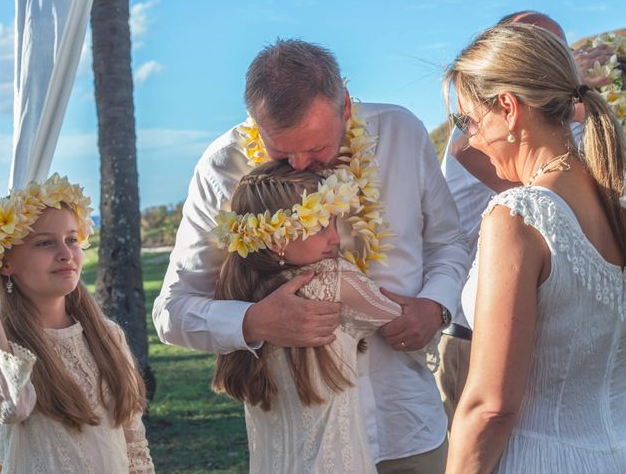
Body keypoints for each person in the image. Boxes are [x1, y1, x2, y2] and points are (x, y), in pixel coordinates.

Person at [152, 39, 469, 472]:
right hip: (303, 444)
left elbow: (448, 242)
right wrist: (254, 321)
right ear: (256, 124)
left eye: (317, 148)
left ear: (345, 109)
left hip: (407, 422)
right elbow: (172, 312)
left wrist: (436, 305)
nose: (300, 165)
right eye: (280, 153)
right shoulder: (221, 166)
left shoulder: (401, 132)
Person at [444, 23, 626, 473]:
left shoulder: (519, 216)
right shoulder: (620, 199)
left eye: (468, 120)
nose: (470, 137)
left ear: (509, 109)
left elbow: (490, 406)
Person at [210, 161, 440, 473]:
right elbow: (403, 323)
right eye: (320, 227)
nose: (335, 238)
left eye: (334, 224)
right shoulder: (335, 278)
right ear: (277, 240)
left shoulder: (236, 290)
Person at [0, 174, 154, 473]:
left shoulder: (108, 336)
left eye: (72, 240)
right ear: (5, 262)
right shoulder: (6, 348)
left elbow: (133, 444)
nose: (66, 254)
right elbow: (11, 407)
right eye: (44, 243)